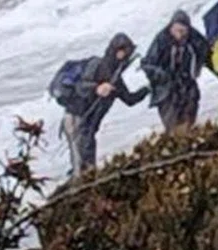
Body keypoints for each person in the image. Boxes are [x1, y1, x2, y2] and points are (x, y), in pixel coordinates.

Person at [57, 33, 149, 177]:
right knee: (81, 166)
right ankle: (79, 190)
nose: (126, 56)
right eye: (125, 52)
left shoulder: (115, 77)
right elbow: (80, 87)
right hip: (76, 118)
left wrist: (148, 89)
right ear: (116, 51)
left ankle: (84, 187)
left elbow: (130, 100)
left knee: (87, 163)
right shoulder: (97, 64)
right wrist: (97, 88)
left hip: (88, 126)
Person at [141, 10, 213, 133]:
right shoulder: (161, 39)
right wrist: (161, 75)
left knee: (189, 118)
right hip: (166, 88)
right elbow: (147, 64)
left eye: (183, 31)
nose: (179, 34)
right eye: (176, 30)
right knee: (172, 123)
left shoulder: (195, 39)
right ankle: (176, 137)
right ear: (171, 27)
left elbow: (208, 56)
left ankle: (186, 136)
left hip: (188, 85)